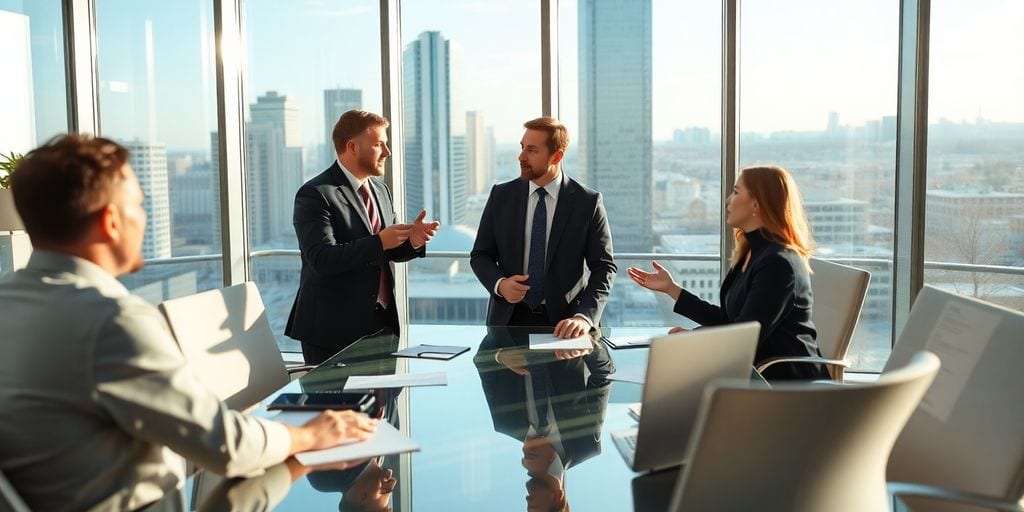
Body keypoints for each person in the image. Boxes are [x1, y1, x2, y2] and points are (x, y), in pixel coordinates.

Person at [0, 134, 378, 511]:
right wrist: (309, 435)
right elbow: (226, 446)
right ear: (111, 222)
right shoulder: (112, 321)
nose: (145, 218)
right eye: (139, 205)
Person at [627, 165, 829, 381]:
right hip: (754, 374)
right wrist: (672, 289)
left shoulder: (778, 263)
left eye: (736, 192)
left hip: (787, 384)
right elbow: (729, 320)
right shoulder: (752, 253)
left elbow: (744, 338)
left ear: (756, 203)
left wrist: (693, 339)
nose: (728, 201)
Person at [286, 110, 440, 364]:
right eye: (379, 144)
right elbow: (322, 259)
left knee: (384, 403)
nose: (387, 152)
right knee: (339, 405)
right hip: (332, 332)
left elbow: (385, 252)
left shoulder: (380, 189)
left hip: (382, 324)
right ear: (352, 147)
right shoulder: (315, 194)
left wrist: (412, 240)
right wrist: (380, 241)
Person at [471, 117, 616, 337]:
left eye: (531, 150)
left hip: (567, 324)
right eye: (522, 148)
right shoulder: (501, 196)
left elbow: (604, 268)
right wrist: (500, 284)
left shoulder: (587, 202)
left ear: (557, 156)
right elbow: (480, 255)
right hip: (508, 322)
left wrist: (584, 317)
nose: (521, 157)